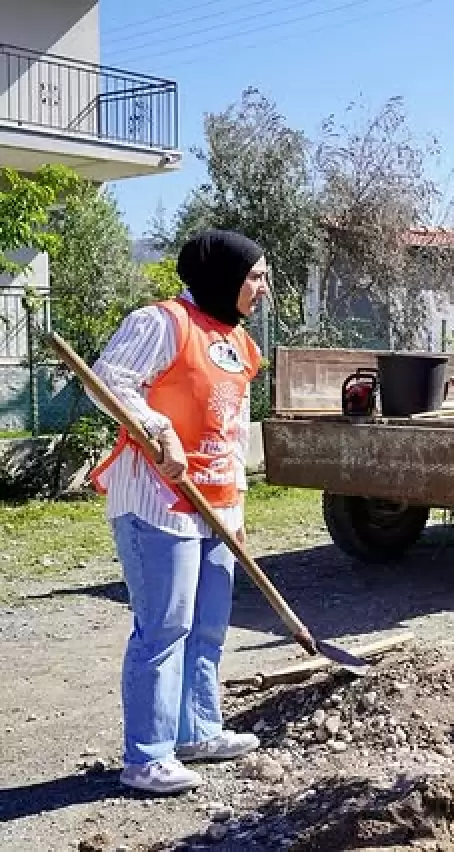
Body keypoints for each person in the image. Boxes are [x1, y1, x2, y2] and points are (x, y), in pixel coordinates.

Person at [89, 229, 270, 794]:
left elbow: (231, 429)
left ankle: (198, 731)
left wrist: (237, 503)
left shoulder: (236, 339)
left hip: (214, 503)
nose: (261, 288)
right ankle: (146, 756)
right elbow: (107, 382)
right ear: (223, 277)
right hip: (156, 501)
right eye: (254, 277)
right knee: (164, 627)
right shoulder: (161, 323)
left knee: (209, 624)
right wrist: (156, 427)